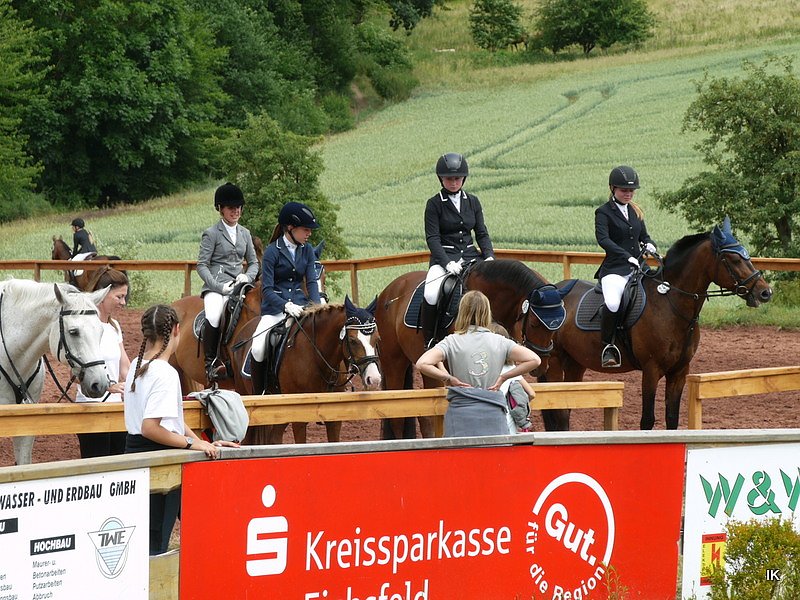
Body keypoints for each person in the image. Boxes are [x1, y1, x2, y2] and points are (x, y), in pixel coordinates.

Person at [123, 304, 239, 554]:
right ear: (176, 329)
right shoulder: (164, 373)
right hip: (159, 456)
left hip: (137, 452)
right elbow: (150, 428)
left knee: (150, 535)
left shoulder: (136, 365)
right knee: (155, 541)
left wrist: (201, 442)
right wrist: (191, 444)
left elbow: (171, 418)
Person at [416, 291, 540, 437]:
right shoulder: (500, 341)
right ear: (487, 312)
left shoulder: (451, 341)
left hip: (460, 415)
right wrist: (504, 377)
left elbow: (422, 363)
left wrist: (448, 378)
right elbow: (535, 360)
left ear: (462, 312)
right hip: (493, 414)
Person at [422, 152, 495, 348]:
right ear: (441, 179)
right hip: (445, 259)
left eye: (457, 178)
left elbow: (481, 233)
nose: (453, 182)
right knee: (430, 293)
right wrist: (447, 263)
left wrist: (489, 256)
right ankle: (430, 339)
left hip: (472, 257)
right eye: (449, 179)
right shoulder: (434, 204)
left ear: (463, 178)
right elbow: (433, 238)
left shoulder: (473, 201)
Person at [250, 202, 322, 395]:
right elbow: (267, 290)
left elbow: (312, 282)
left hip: (302, 306)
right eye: (306, 229)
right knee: (258, 348)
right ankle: (261, 392)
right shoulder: (272, 252)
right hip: (275, 310)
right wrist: (285, 306)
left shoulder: (307, 250)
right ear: (290, 228)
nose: (309, 233)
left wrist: (317, 307)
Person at [595, 165, 657, 369]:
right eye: (624, 190)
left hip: (638, 267)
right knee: (613, 303)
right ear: (613, 188)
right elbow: (603, 240)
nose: (628, 194)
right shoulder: (603, 212)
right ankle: (608, 346)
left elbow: (644, 236)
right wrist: (626, 256)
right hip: (615, 269)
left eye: (631, 190)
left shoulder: (635, 211)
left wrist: (649, 244)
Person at [197, 182, 259, 383]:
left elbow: (254, 262)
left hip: (240, 285)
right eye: (231, 208)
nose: (236, 211)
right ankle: (211, 363)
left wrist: (247, 277)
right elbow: (202, 265)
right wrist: (218, 286)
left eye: (238, 207)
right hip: (217, 287)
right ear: (220, 209)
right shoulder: (212, 233)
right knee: (214, 316)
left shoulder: (245, 233)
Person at [75, 268, 131, 458]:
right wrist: (109, 386)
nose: (123, 302)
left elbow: (125, 367)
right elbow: (76, 374)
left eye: (124, 297)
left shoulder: (114, 326)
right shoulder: (83, 327)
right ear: (103, 294)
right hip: (92, 407)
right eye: (119, 297)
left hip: (116, 408)